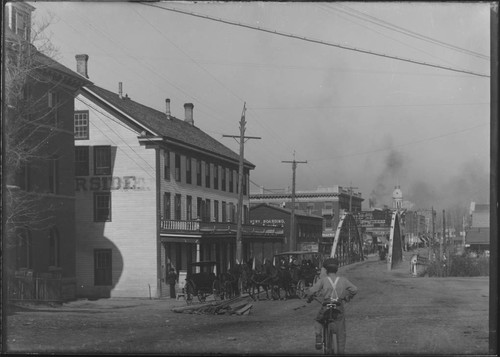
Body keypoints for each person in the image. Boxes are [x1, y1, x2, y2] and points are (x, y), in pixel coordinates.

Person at [305, 258, 357, 352]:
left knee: (318, 320)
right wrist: (348, 296)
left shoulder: (323, 280)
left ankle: (318, 338)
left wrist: (308, 296)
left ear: (326, 270)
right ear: (337, 269)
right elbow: (354, 289)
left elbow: (311, 291)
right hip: (338, 306)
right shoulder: (343, 280)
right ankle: (341, 352)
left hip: (326, 306)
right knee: (341, 331)